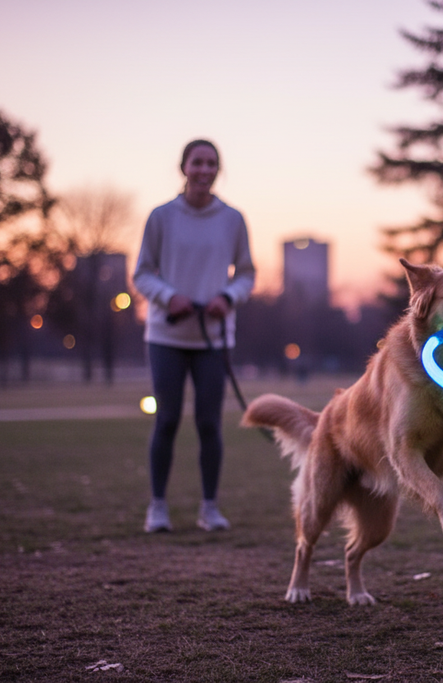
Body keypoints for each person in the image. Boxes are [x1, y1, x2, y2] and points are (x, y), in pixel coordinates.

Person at [133, 139, 255, 533]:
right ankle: (157, 508)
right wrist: (170, 297)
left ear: (218, 170)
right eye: (197, 163)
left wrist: (228, 297)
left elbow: (248, 273)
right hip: (166, 337)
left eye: (211, 164)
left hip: (213, 339)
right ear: (183, 167)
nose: (204, 170)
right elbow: (142, 274)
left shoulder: (233, 219)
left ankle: (210, 508)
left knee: (209, 424)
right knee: (166, 420)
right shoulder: (161, 217)